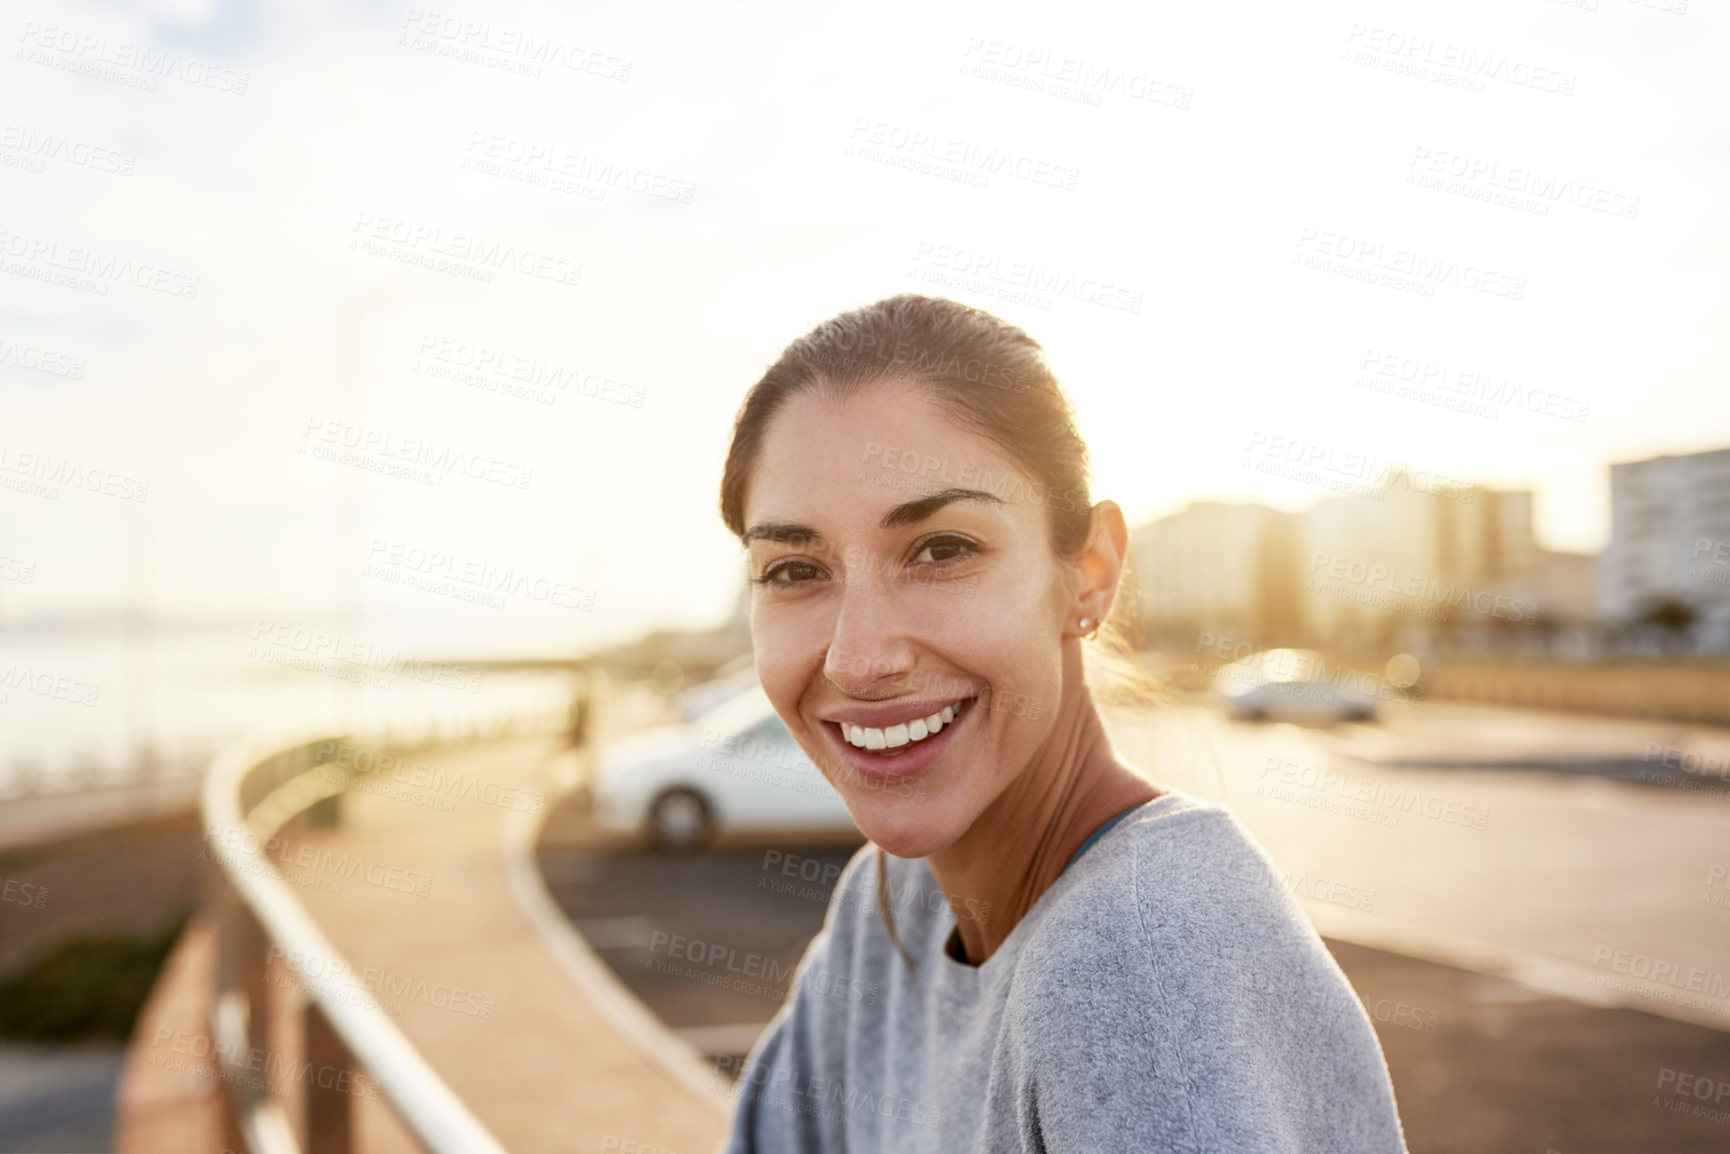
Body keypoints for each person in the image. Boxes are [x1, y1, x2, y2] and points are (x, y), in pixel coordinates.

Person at [713, 294, 1408, 1152]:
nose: (857, 658)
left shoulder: (1139, 962)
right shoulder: (893, 901)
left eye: (941, 551)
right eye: (793, 569)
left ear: (1087, 572)